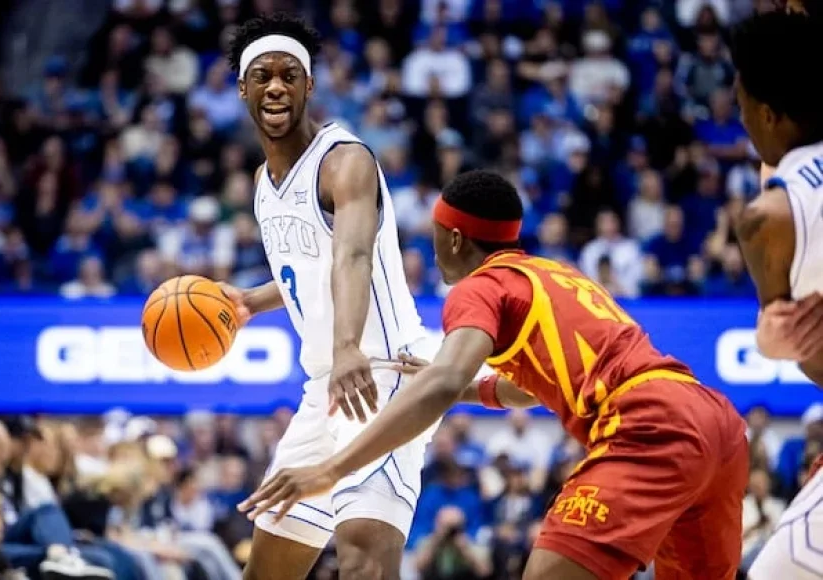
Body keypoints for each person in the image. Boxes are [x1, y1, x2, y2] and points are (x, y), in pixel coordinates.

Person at [240, 169, 750, 580]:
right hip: (714, 422)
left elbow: (438, 386)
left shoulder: (480, 287)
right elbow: (534, 384)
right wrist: (469, 387)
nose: (431, 246)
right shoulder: (555, 272)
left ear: (456, 239)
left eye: (436, 236)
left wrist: (329, 470)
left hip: (649, 426)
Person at [218, 12, 446, 580]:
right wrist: (249, 301)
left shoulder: (345, 161)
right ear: (243, 88)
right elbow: (311, 269)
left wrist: (349, 346)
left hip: (384, 375)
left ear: (309, 86)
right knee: (267, 569)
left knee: (363, 559)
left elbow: (352, 255)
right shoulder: (262, 185)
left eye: (290, 75)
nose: (276, 86)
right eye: (263, 76)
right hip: (325, 388)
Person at [730, 10, 823, 579]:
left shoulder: (770, 217)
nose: (737, 117)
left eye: (740, 105)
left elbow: (812, 362)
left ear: (767, 114)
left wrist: (777, 342)